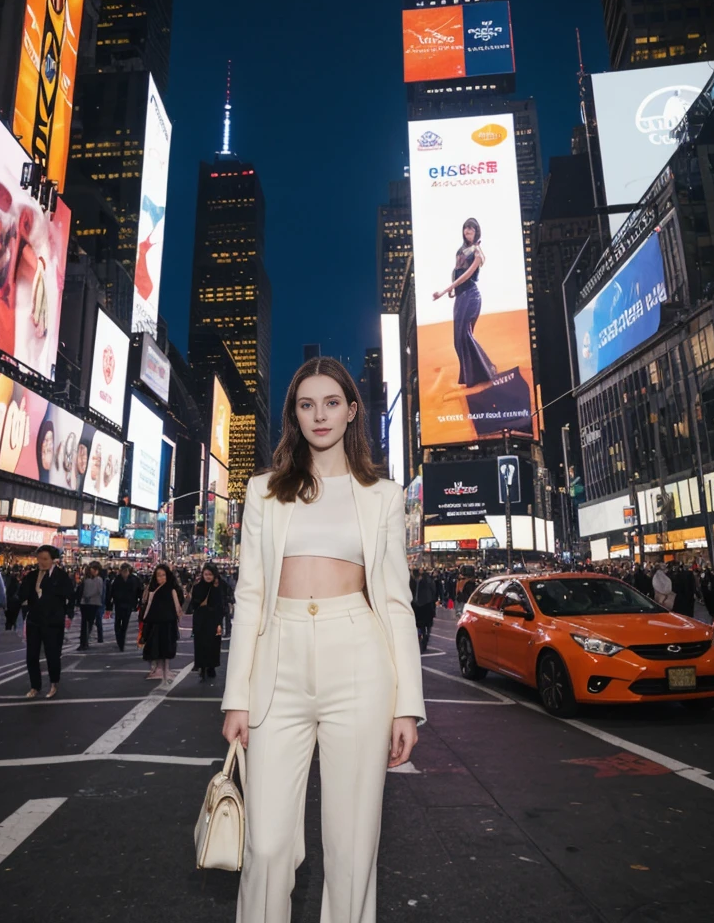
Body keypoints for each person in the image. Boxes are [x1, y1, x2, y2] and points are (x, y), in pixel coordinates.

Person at [222, 357, 425, 923]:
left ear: (352, 410)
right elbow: (250, 597)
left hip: (358, 659)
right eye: (307, 404)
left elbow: (394, 601)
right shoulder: (263, 492)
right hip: (277, 662)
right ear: (294, 414)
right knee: (265, 846)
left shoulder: (382, 495)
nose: (320, 415)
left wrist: (406, 706)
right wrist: (235, 695)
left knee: (353, 849)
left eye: (331, 402)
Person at [433, 217, 496, 389]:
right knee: (458, 339)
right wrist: (454, 290)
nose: (467, 231)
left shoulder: (477, 251)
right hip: (461, 297)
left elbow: (467, 275)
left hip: (471, 296)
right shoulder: (461, 250)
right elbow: (457, 271)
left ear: (476, 232)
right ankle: (474, 374)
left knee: (464, 335)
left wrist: (445, 290)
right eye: (465, 228)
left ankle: (486, 371)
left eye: (471, 229)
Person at [18, 545, 75, 699]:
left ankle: (53, 683)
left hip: (53, 622)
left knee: (52, 654)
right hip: (34, 620)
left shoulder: (61, 577)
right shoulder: (31, 576)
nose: (41, 562)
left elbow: (70, 597)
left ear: (53, 560)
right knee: (32, 655)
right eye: (39, 559)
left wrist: (67, 614)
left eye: (45, 559)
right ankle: (35, 686)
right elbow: (21, 594)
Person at [141, 564, 183, 683]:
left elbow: (178, 606)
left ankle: (164, 670)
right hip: (154, 622)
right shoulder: (152, 589)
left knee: (165, 648)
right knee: (154, 647)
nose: (161, 578)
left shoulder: (172, 589)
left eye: (163, 575)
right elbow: (147, 604)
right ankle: (157, 669)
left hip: (168, 623)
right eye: (158, 576)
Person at [190, 562, 225, 682]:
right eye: (206, 574)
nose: (208, 577)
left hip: (213, 620)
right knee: (200, 644)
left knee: (213, 644)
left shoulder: (219, 587)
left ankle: (211, 667)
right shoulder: (197, 587)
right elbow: (193, 605)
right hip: (200, 620)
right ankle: (202, 667)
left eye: (210, 574)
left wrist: (219, 621)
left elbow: (222, 605)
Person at [108, 562, 142, 652]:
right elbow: (111, 592)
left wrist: (139, 602)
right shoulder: (117, 580)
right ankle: (120, 641)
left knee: (125, 624)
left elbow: (140, 591)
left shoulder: (134, 579)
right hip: (119, 604)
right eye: (123, 571)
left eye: (126, 571)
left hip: (129, 604)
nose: (124, 573)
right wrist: (109, 605)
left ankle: (121, 643)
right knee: (117, 624)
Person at [78, 561, 104, 651]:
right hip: (85, 603)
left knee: (89, 622)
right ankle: (83, 642)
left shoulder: (99, 579)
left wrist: (88, 596)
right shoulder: (85, 579)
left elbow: (100, 592)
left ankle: (85, 641)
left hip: (93, 603)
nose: (94, 571)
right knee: (84, 623)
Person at [412, 571, 436, 653]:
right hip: (427, 606)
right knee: (426, 625)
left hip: (420, 606)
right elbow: (434, 593)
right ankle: (424, 638)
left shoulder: (416, 582)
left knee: (420, 625)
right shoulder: (428, 581)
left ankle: (422, 638)